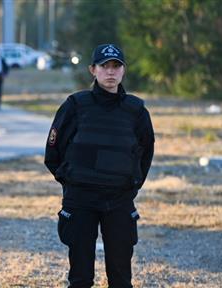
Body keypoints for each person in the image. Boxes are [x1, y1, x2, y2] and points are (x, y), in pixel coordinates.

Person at [44, 43, 155, 288]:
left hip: (119, 200)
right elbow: (53, 152)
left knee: (121, 278)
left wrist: (130, 185)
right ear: (93, 70)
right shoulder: (75, 105)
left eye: (117, 66)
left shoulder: (136, 111)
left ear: (124, 71)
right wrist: (72, 182)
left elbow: (145, 153)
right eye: (105, 66)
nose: (111, 72)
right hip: (81, 199)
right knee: (81, 277)